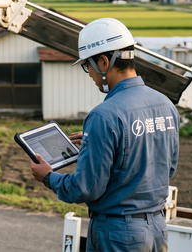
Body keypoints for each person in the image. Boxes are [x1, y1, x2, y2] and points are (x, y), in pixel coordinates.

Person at [29, 18, 179, 252]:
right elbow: (166, 168)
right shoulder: (166, 105)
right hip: (157, 229)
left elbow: (85, 188)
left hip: (119, 235)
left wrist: (49, 177)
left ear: (103, 61)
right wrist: (93, 152)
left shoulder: (104, 116)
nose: (89, 73)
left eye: (87, 65)